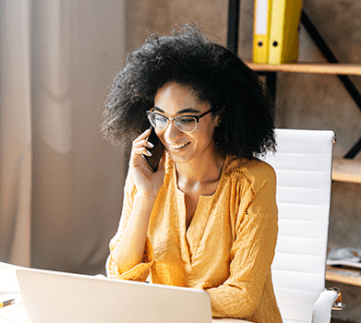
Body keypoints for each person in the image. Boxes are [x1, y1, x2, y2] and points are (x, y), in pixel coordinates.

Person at [101, 25, 281, 323]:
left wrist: (158, 309)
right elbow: (119, 278)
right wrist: (146, 197)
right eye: (159, 117)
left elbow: (242, 297)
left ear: (219, 115)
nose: (169, 133)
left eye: (186, 119)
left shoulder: (253, 182)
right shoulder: (147, 175)